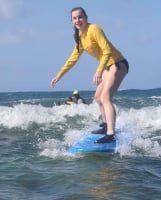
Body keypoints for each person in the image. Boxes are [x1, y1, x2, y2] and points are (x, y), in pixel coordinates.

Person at [50, 7, 129, 143]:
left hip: (118, 64)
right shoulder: (81, 38)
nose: (78, 20)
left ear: (86, 17)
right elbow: (73, 58)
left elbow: (107, 50)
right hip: (107, 66)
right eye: (74, 18)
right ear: (72, 21)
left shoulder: (94, 29)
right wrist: (59, 75)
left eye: (80, 17)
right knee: (97, 97)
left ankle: (111, 134)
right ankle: (106, 126)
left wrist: (99, 70)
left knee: (105, 97)